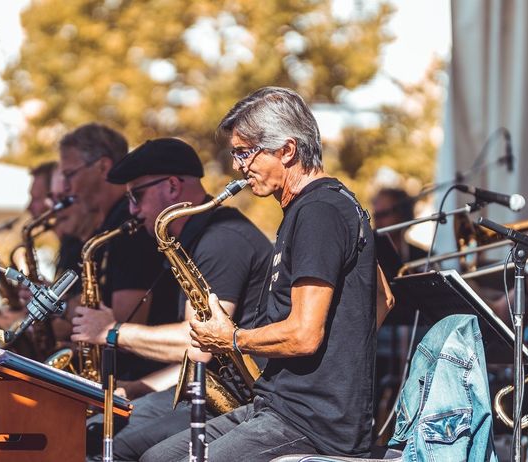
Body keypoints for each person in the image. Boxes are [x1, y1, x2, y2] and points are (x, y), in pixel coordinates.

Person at [142, 87, 378, 460]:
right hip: (282, 407)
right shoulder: (322, 206)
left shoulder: (319, 212)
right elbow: (383, 297)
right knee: (158, 457)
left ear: (287, 150)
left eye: (245, 152)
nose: (238, 166)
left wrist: (232, 339)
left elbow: (304, 335)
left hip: (310, 423)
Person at [71, 137, 272, 461]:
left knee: (116, 448)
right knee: (89, 431)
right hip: (207, 391)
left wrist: (111, 331)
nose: (133, 210)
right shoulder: (191, 241)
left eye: (137, 195)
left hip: (242, 402)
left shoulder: (221, 239)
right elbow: (193, 360)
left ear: (173, 187)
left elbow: (197, 343)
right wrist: (135, 388)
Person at [55, 123, 179, 383]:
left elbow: (125, 318)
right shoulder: (109, 225)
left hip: (143, 378)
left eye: (70, 175)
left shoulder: (129, 227)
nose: (66, 188)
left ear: (102, 166)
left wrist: (60, 307)